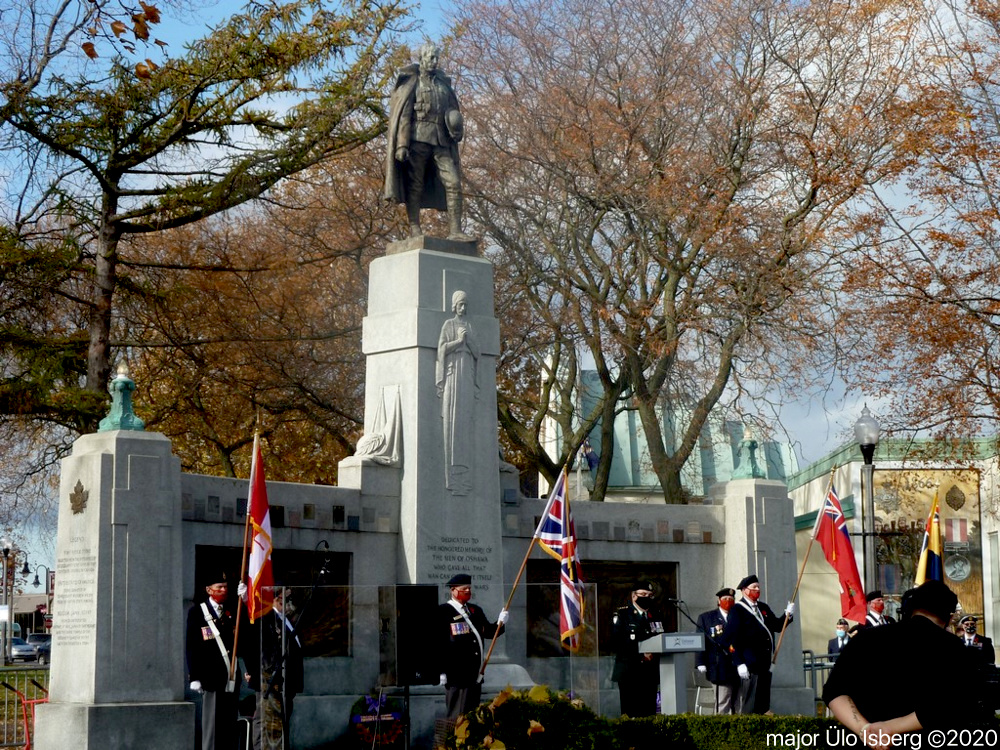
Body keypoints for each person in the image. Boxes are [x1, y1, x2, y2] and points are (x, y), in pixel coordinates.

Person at [823, 580, 996, 742]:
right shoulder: (952, 648)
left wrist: (864, 729)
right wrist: (890, 728)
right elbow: (954, 702)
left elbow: (833, 691)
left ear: (910, 608)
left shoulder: (865, 638)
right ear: (949, 617)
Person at [383, 41, 474, 242]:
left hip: (441, 141)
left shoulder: (443, 86)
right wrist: (402, 145)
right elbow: (405, 116)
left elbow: (453, 112)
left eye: (436, 58)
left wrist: (457, 130)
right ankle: (415, 227)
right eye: (430, 57)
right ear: (422, 59)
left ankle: (455, 230)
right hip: (418, 139)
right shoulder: (413, 84)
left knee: (454, 182)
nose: (434, 61)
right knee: (415, 184)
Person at [437, 574, 508, 719]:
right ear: (453, 590)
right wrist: (441, 670)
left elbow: (488, 632)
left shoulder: (475, 611)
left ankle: (468, 742)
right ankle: (453, 742)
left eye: (469, 588)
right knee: (456, 716)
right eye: (464, 589)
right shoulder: (443, 612)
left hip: (474, 673)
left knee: (471, 715)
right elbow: (439, 643)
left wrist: (500, 623)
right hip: (455, 673)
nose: (468, 592)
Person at [720, 574, 793, 714]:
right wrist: (739, 662)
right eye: (754, 587)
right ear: (744, 590)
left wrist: (787, 615)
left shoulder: (763, 607)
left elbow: (777, 626)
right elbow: (730, 639)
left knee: (763, 702)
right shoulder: (737, 610)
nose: (757, 590)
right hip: (749, 662)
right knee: (748, 702)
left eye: (758, 587)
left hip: (765, 661)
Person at [186, 570, 241, 750]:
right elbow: (192, 645)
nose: (224, 590)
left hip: (230, 677)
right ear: (209, 590)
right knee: (212, 727)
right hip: (211, 677)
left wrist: (246, 601)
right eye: (220, 587)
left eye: (226, 587)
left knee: (229, 725)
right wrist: (194, 676)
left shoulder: (233, 610)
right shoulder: (198, 612)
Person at [246, 584, 304, 750]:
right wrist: (254, 671)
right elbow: (254, 647)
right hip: (270, 679)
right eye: (286, 598)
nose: (289, 602)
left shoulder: (287, 620)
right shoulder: (267, 618)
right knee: (264, 719)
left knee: (281, 721)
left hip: (286, 682)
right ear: (276, 599)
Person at [436, 290, 480, 496]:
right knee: (452, 423)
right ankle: (451, 475)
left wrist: (468, 341)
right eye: (460, 305)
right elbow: (442, 350)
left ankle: (466, 477)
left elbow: (477, 352)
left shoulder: (470, 326)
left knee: (465, 422)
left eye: (465, 305)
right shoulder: (448, 325)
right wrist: (459, 342)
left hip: (466, 377)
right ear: (454, 306)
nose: (463, 308)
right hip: (453, 376)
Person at [611, 582, 665, 717]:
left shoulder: (656, 614)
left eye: (649, 595)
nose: (646, 597)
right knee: (631, 713)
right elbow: (617, 642)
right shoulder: (622, 615)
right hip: (629, 671)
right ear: (634, 596)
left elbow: (661, 638)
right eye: (643, 595)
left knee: (649, 712)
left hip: (650, 672)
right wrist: (641, 654)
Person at [695, 587, 739, 714]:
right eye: (725, 599)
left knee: (740, 702)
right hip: (719, 667)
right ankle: (721, 730)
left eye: (731, 599)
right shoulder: (707, 618)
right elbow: (700, 640)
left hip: (738, 666)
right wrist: (700, 662)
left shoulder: (738, 616)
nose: (728, 601)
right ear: (719, 601)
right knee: (723, 701)